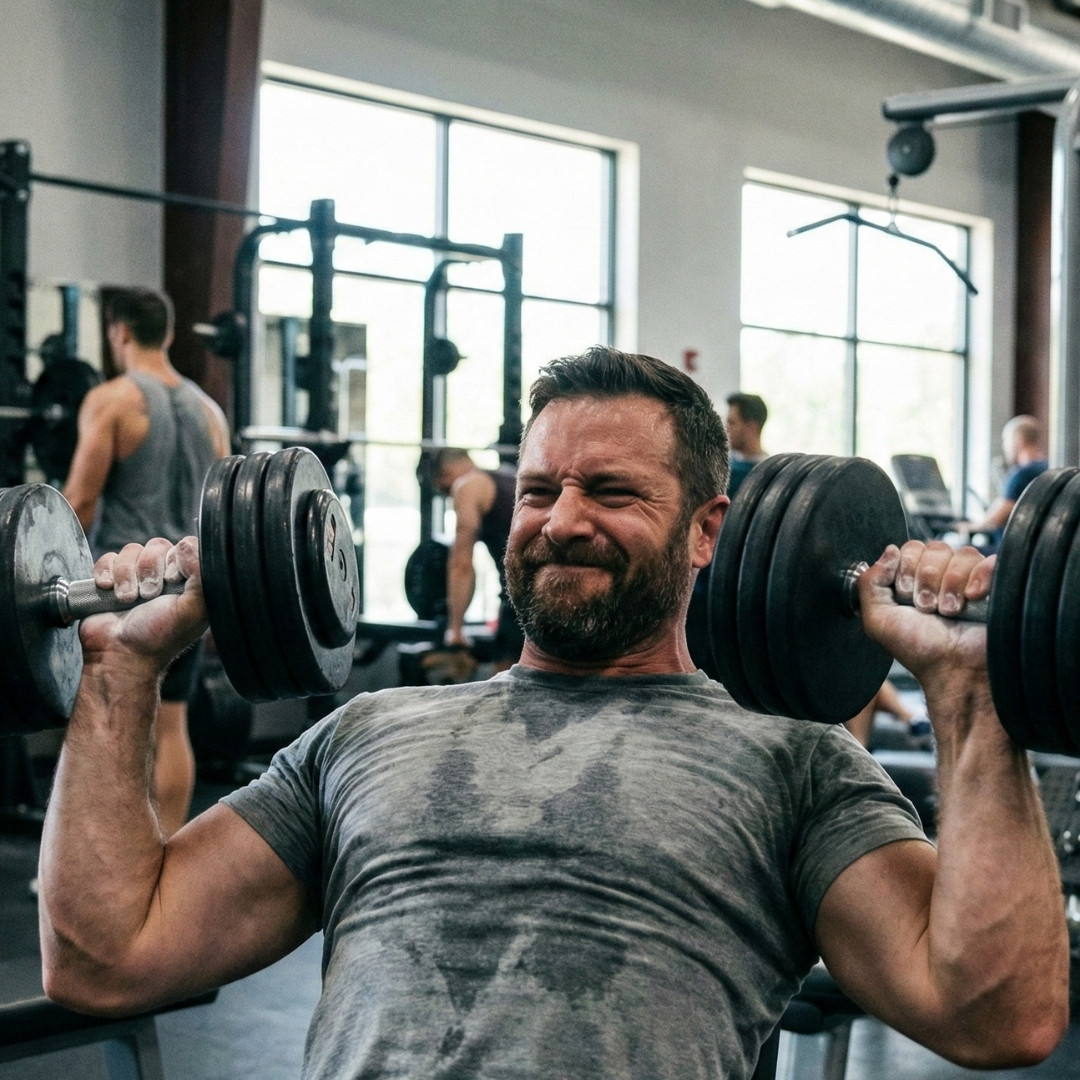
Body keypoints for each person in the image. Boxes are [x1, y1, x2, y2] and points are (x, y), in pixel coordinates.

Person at [40, 347, 1067, 1078]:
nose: (561, 522)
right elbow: (108, 955)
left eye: (611, 492)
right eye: (538, 491)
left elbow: (998, 1015)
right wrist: (118, 675)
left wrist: (970, 697)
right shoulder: (367, 734)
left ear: (708, 529)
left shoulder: (792, 765)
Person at [62, 287, 229, 837]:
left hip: (121, 593)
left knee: (107, 724)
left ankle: (101, 865)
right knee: (172, 723)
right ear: (171, 333)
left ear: (120, 332)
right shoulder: (211, 412)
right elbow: (222, 511)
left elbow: (78, 502)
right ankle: (165, 853)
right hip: (189, 589)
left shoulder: (111, 399)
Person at [424, 446, 524, 667]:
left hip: (524, 598)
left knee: (508, 692)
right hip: (542, 591)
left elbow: (461, 564)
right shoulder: (508, 475)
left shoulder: (467, 486)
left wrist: (456, 629)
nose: (450, 494)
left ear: (447, 473)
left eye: (445, 490)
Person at [957, 414, 1048, 551]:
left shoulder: (1022, 474)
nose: (1005, 446)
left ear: (1019, 439)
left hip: (1010, 554)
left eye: (1006, 440)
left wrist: (969, 527)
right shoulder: (1048, 467)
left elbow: (995, 520)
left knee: (958, 550)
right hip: (1036, 551)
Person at [725, 391, 768, 499]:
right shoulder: (723, 466)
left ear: (751, 427)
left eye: (732, 423)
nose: (725, 428)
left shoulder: (768, 475)